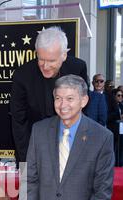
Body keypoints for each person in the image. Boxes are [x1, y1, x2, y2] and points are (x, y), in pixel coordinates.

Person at [10, 26, 88, 165]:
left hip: (69, 146)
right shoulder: (22, 75)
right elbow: (19, 121)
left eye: (51, 61)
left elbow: (83, 113)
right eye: (41, 59)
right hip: (32, 146)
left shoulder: (78, 68)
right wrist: (26, 162)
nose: (45, 66)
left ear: (64, 55)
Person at [107, 87, 123, 166]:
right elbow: (108, 117)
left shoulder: (121, 105)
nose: (120, 97)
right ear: (114, 96)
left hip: (121, 131)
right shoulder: (110, 106)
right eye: (118, 95)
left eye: (122, 96)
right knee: (114, 148)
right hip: (113, 129)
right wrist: (118, 115)